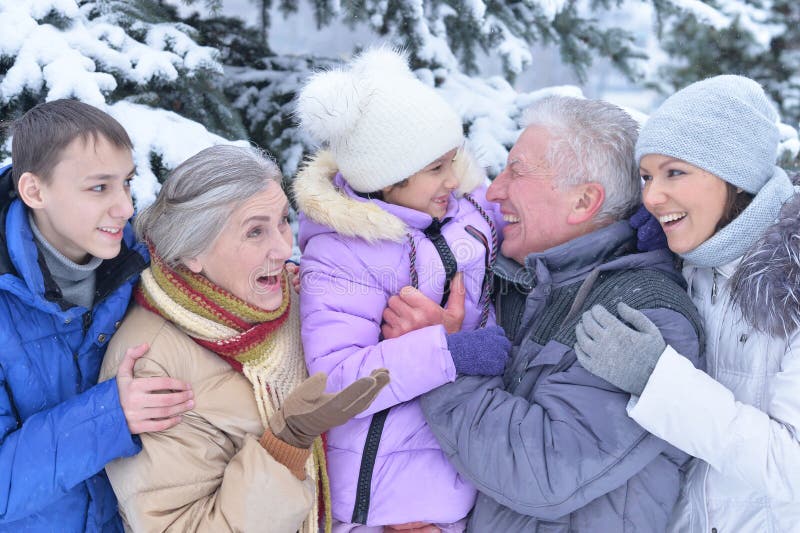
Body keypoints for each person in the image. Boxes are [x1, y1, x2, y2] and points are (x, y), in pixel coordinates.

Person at [382, 95, 706, 531]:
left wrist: (443, 360)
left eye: (516, 171)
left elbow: (544, 470)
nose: (494, 191)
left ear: (583, 201)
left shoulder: (642, 312)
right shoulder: (521, 280)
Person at [99, 144, 389, 533]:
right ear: (192, 251)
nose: (285, 247)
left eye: (283, 220)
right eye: (255, 231)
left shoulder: (296, 297)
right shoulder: (151, 364)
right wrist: (284, 448)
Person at [293, 48, 510, 532]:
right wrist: (450, 351)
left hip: (467, 478)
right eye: (436, 168)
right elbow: (334, 384)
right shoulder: (341, 253)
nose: (453, 180)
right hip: (388, 502)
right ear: (388, 181)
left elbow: (546, 224)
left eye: (452, 162)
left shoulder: (467, 214)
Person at [573, 75, 800, 532]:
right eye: (646, 176)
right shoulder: (681, 267)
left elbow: (791, 468)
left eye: (675, 172)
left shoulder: (790, 286)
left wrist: (657, 380)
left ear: (734, 177)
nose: (653, 196)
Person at [0, 99, 194, 532]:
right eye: (99, 187)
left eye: (126, 183)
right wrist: (110, 415)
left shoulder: (140, 261)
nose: (125, 206)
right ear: (35, 191)